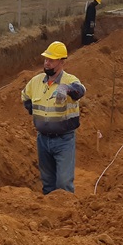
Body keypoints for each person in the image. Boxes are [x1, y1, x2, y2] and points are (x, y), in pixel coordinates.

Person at [21, 41, 86, 194]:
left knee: (64, 183)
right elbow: (25, 96)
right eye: (46, 59)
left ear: (62, 62)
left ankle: (67, 208)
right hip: (43, 140)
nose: (47, 63)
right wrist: (32, 110)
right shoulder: (36, 81)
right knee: (47, 183)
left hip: (64, 140)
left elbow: (81, 90)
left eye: (51, 60)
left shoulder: (69, 80)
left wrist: (67, 89)